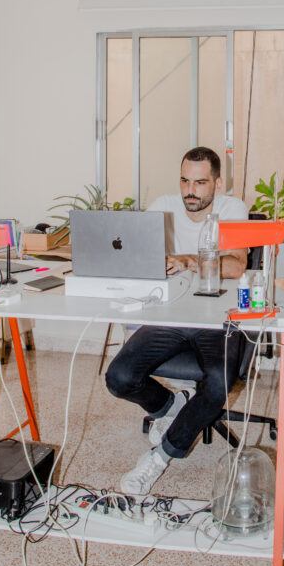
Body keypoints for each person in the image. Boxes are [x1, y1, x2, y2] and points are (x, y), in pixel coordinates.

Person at [105, 147, 252, 495]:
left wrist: (187, 260)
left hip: (217, 317)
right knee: (119, 377)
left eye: (200, 183)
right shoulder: (162, 207)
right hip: (170, 313)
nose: (191, 191)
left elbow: (235, 266)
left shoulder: (232, 209)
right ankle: (172, 405)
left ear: (217, 183)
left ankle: (159, 458)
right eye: (185, 181)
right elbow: (137, 255)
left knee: (218, 383)